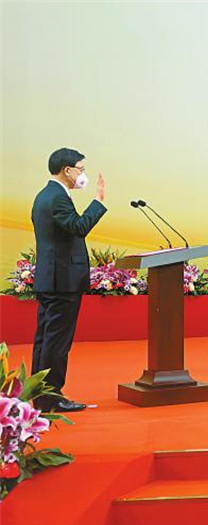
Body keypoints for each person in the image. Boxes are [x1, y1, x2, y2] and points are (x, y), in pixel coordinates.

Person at [31, 148, 107, 412]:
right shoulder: (57, 197)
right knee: (56, 342)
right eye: (81, 169)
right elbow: (79, 227)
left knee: (45, 340)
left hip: (51, 279)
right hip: (61, 281)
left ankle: (41, 395)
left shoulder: (44, 195)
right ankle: (51, 398)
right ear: (67, 170)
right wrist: (98, 201)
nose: (82, 174)